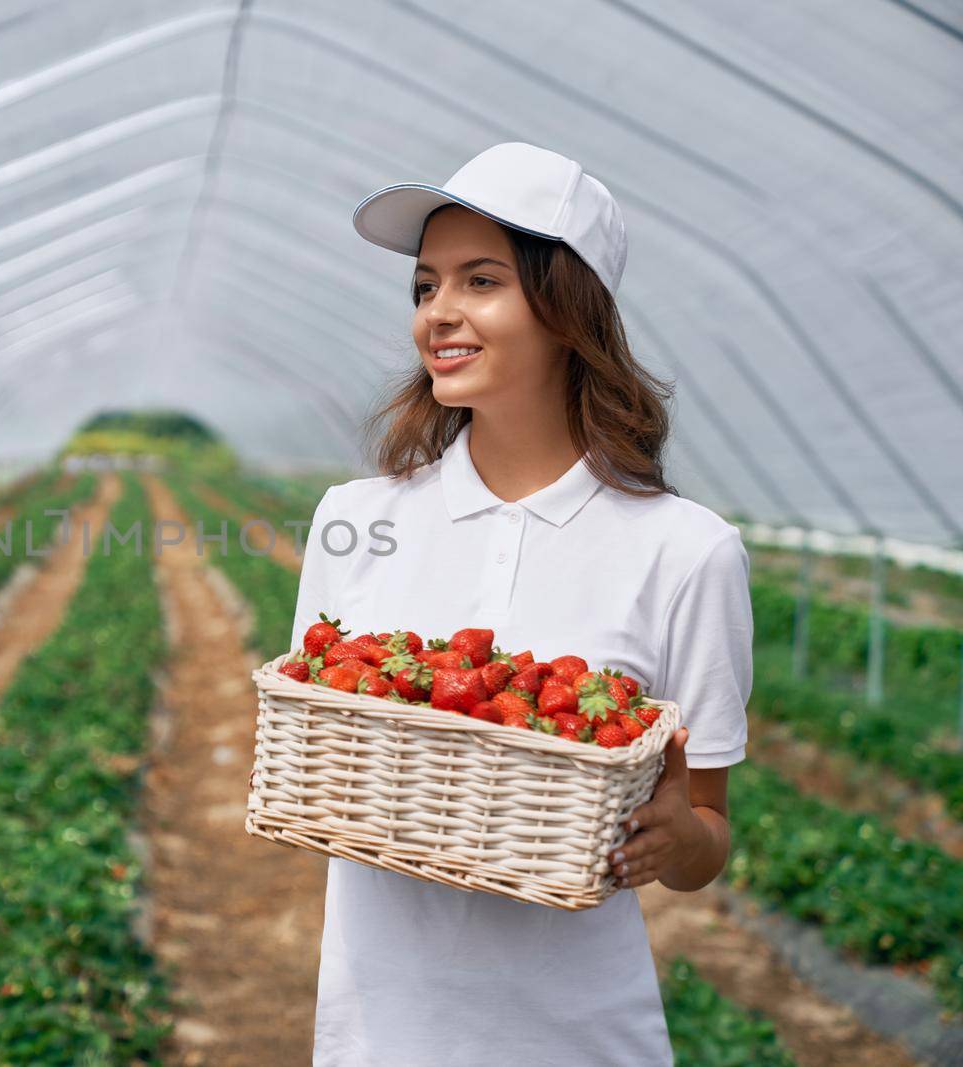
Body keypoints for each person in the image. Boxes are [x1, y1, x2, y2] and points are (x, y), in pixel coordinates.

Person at [292, 142, 754, 1066]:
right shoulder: (355, 520)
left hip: (576, 1035)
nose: (439, 315)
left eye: (481, 280)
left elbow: (706, 830)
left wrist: (674, 841)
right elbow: (319, 754)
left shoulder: (686, 550)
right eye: (426, 286)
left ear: (566, 306)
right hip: (379, 1032)